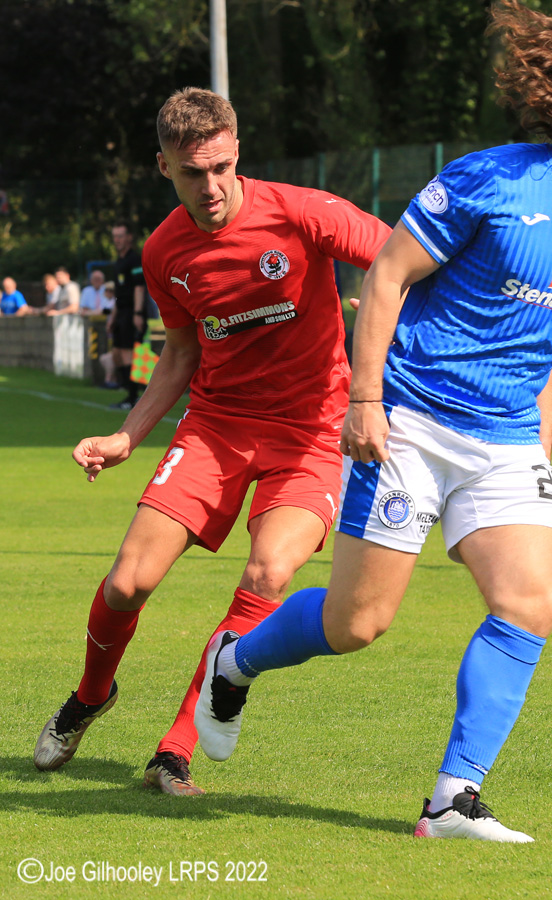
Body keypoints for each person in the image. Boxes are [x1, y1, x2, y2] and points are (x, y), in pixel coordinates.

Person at [193, 0, 552, 842]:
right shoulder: (491, 180)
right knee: (358, 623)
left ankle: (452, 800)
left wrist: (538, 461)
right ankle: (233, 661)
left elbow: (546, 347)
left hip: (503, 441)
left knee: (531, 600)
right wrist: (363, 401)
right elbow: (385, 278)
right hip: (412, 423)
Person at [33, 87, 390, 795]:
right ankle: (91, 694)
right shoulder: (166, 250)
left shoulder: (301, 212)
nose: (211, 185)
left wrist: (382, 308)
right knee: (128, 581)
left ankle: (176, 748)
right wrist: (127, 435)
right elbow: (180, 353)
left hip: (312, 433)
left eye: (222, 166)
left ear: (237, 153)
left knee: (268, 575)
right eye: (192, 172)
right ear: (163, 165)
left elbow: (405, 258)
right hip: (217, 427)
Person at [107, 222, 146, 410]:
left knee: (128, 353)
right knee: (116, 354)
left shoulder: (134, 260)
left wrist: (138, 313)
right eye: (115, 236)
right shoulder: (118, 262)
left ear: (129, 237)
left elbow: (139, 287)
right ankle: (129, 392)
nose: (117, 240)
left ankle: (132, 397)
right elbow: (117, 293)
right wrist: (112, 317)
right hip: (121, 312)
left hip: (132, 311)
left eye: (120, 236)